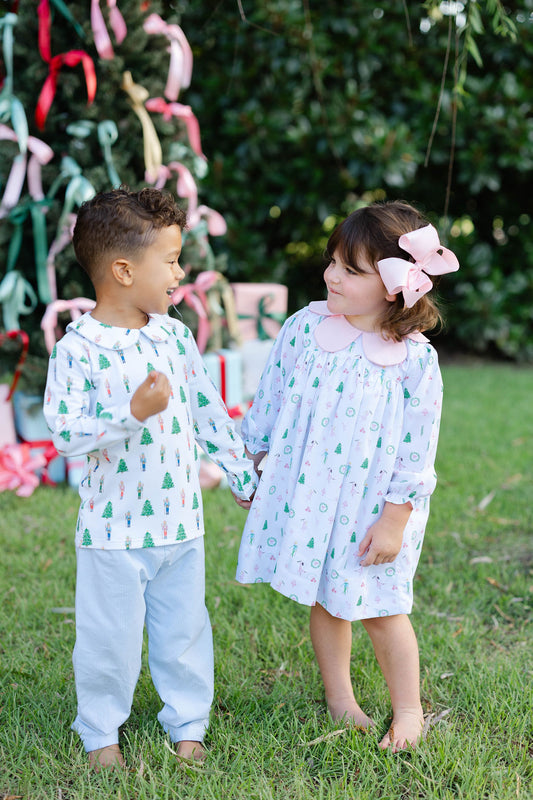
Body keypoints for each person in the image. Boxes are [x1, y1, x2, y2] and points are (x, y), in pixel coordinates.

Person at [43, 187, 257, 771]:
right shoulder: (78, 350)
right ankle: (100, 733)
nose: (180, 272)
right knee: (108, 640)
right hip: (114, 533)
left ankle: (188, 724)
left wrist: (242, 474)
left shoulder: (174, 336)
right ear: (122, 270)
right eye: (170, 260)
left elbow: (206, 410)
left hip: (180, 523)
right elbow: (66, 434)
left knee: (184, 632)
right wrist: (130, 414)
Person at [235, 201, 458, 752]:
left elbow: (417, 448)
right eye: (333, 261)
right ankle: (341, 699)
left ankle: (408, 711)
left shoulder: (412, 360)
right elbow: (269, 401)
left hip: (374, 506)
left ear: (392, 285)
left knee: (383, 608)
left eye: (351, 270)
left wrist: (395, 518)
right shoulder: (304, 328)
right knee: (325, 596)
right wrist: (255, 466)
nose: (332, 274)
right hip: (313, 496)